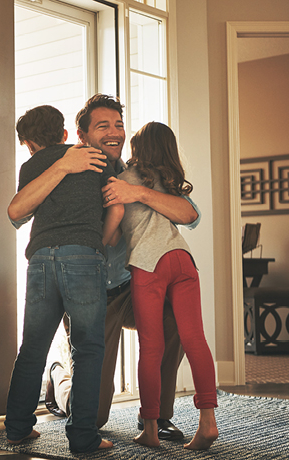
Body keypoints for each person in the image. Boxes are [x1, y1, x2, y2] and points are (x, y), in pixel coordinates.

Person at [8, 94, 201, 441]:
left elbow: (190, 215)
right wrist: (65, 167)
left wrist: (136, 193)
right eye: (103, 126)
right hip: (91, 287)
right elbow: (18, 214)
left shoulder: (137, 173)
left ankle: (155, 416)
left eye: (118, 125)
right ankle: (59, 379)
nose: (114, 132)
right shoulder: (74, 166)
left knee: (173, 319)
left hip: (128, 288)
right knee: (92, 409)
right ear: (80, 137)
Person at [4, 105, 122, 453]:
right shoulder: (95, 158)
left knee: (32, 348)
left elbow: (20, 212)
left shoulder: (30, 167)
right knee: (87, 349)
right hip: (83, 256)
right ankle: (83, 437)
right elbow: (116, 206)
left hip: (40, 258)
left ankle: (17, 427)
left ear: (27, 143)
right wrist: (95, 246)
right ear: (67, 134)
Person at [105, 121, 218, 450]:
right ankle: (208, 423)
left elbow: (112, 231)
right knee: (195, 339)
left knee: (151, 347)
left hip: (148, 263)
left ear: (138, 149)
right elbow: (190, 218)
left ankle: (150, 427)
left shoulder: (124, 180)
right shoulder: (168, 182)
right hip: (182, 258)